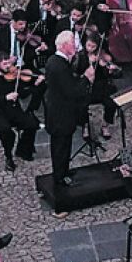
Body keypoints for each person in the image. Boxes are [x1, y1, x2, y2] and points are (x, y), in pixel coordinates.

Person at [41, 30, 91, 194]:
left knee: (64, 144)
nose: (75, 46)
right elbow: (71, 91)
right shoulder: (58, 65)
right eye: (72, 43)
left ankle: (63, 170)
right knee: (60, 146)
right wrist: (86, 78)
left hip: (61, 112)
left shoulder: (57, 62)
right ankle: (59, 177)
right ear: (64, 46)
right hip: (60, 115)